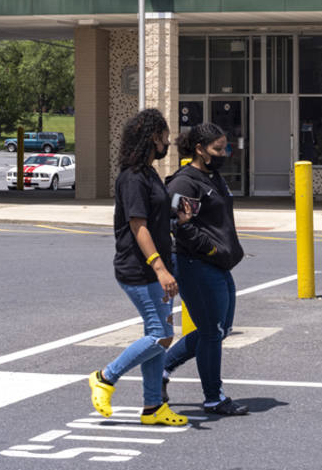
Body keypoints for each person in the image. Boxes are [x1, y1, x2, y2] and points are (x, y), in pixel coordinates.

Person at [88, 108, 192, 427]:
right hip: (139, 269)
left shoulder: (149, 174)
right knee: (160, 334)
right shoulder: (133, 177)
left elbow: (156, 218)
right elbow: (138, 226)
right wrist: (161, 268)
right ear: (152, 137)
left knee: (158, 335)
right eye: (164, 137)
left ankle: (152, 407)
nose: (168, 143)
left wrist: (178, 217)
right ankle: (105, 377)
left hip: (155, 266)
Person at [163, 122, 249, 417]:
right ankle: (214, 398)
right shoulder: (184, 183)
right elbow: (173, 223)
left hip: (218, 264)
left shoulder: (213, 177)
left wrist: (222, 251)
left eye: (226, 146)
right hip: (194, 264)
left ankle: (161, 368)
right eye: (218, 148)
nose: (225, 152)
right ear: (199, 149)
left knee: (218, 330)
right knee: (212, 333)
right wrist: (209, 247)